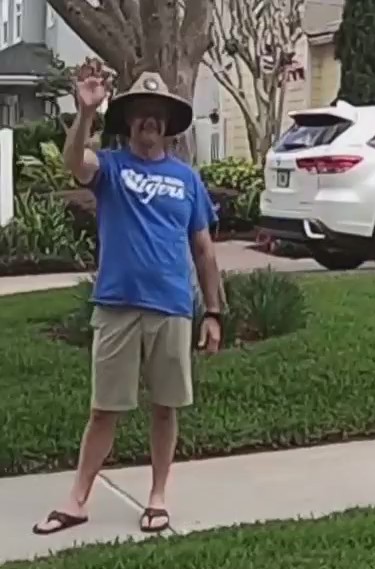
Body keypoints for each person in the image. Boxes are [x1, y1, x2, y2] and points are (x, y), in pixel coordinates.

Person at [32, 61, 224, 536]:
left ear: (167, 125)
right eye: (140, 113)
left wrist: (214, 312)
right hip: (117, 305)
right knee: (104, 410)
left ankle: (157, 498)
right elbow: (75, 163)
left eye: (157, 114)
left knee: (165, 407)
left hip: (173, 307)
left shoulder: (187, 179)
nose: (149, 121)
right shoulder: (112, 167)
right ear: (129, 121)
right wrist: (85, 111)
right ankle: (77, 500)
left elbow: (203, 249)